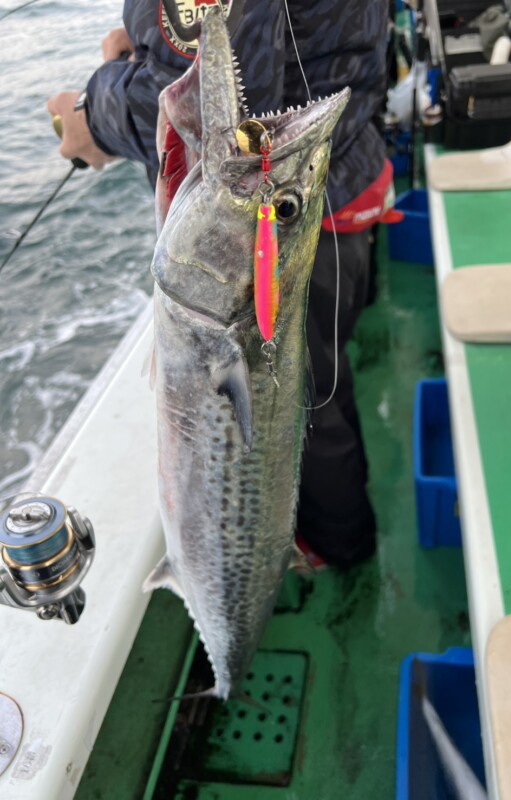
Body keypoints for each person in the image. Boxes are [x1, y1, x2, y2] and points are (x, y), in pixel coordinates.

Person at [48, 0, 392, 568]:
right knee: (313, 392)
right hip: (347, 182)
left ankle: (340, 550)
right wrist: (144, 47)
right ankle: (321, 544)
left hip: (284, 237)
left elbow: (225, 113)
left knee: (305, 411)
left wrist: (93, 111)